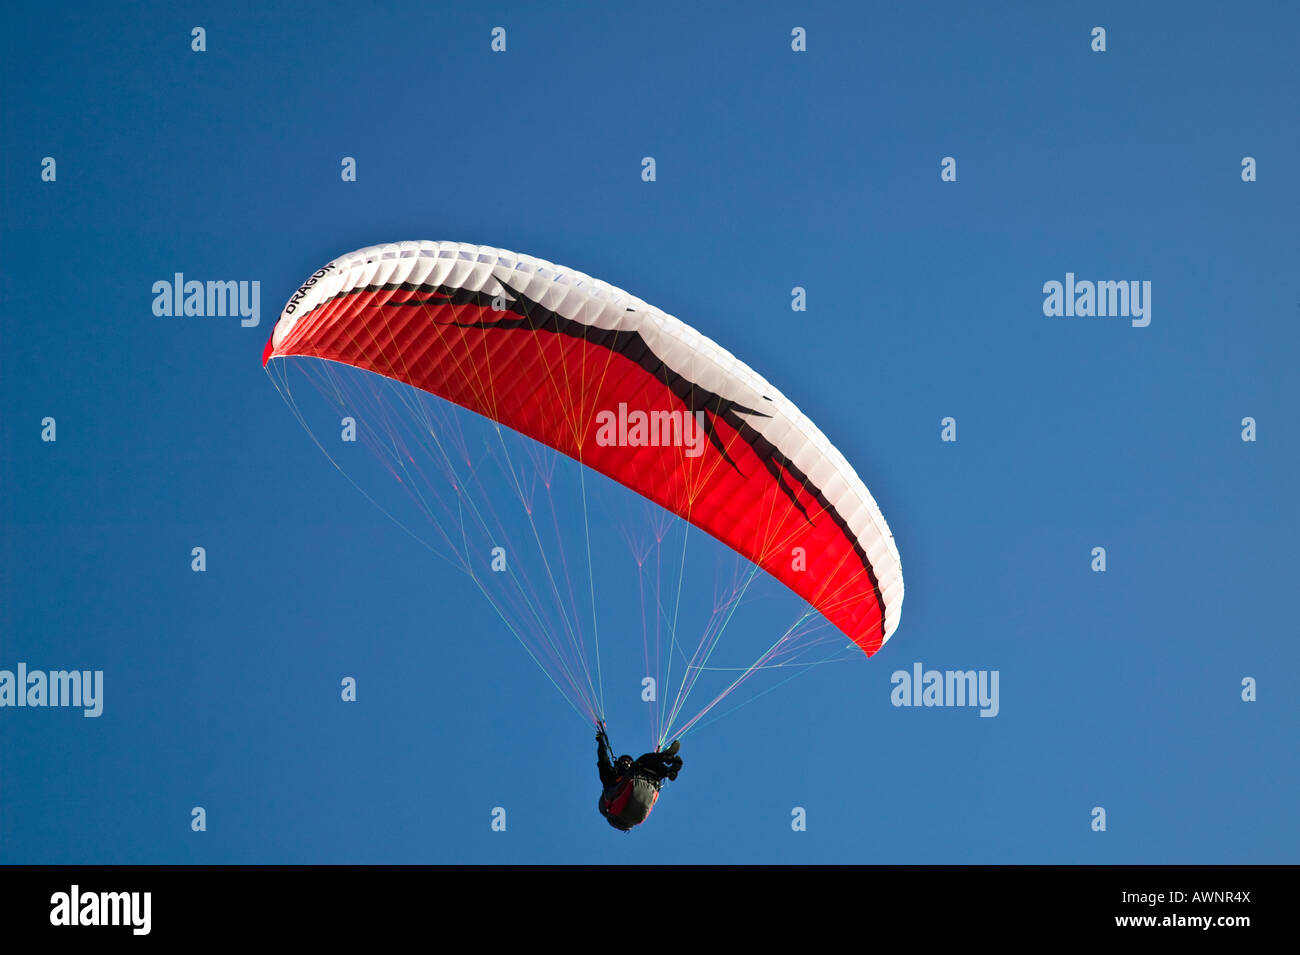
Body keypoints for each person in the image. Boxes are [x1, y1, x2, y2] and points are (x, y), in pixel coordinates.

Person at [595, 722, 682, 831]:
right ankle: (665, 758)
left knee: (648, 768)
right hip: (616, 808)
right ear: (618, 764)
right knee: (642, 762)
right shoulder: (610, 776)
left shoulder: (633, 774)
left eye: (629, 761)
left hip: (634, 806)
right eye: (624, 761)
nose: (627, 763)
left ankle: (668, 769)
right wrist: (601, 741)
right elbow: (603, 760)